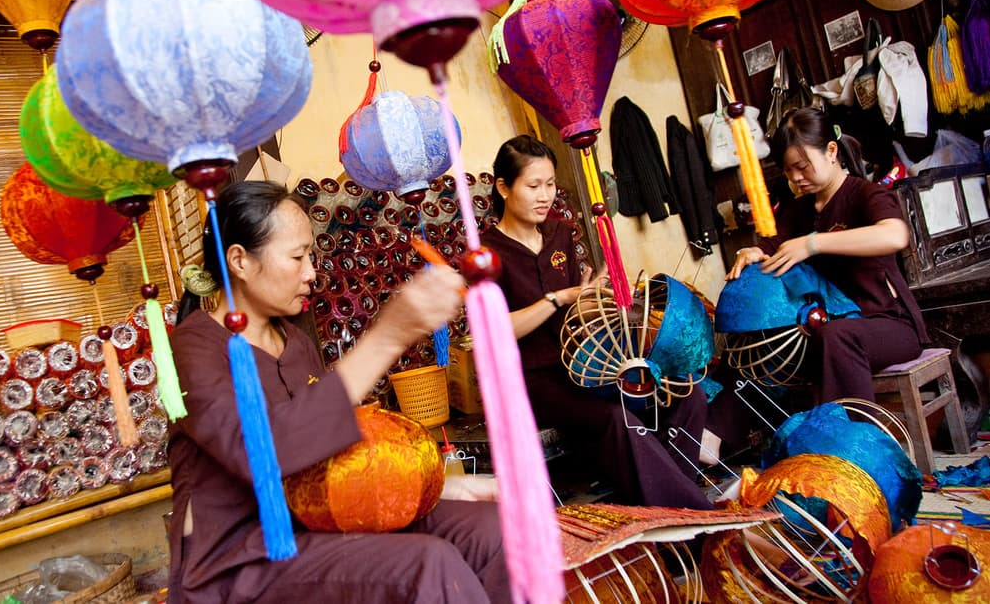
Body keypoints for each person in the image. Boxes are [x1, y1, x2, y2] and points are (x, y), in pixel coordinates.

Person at [167, 181, 510, 603]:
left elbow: (333, 464)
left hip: (322, 522)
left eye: (310, 255)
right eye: (297, 257)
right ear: (239, 260)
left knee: (491, 531)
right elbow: (258, 451)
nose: (311, 272)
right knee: (427, 563)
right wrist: (386, 338)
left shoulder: (295, 342)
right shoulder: (194, 346)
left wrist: (435, 486)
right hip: (239, 557)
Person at [479, 134, 712, 510]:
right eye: (533, 185)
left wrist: (595, 300)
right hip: (535, 381)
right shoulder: (487, 254)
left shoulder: (558, 235)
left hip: (589, 365)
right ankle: (692, 515)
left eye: (551, 184)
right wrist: (558, 298)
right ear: (504, 188)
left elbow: (579, 310)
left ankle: (676, 506)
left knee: (686, 395)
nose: (545, 195)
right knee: (618, 418)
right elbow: (493, 332)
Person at [726, 107, 928, 403]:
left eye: (803, 166)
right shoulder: (798, 211)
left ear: (831, 151)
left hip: (888, 324)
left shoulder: (865, 194)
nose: (796, 177)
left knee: (835, 336)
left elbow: (894, 235)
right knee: (756, 341)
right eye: (788, 170)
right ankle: (709, 440)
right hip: (827, 327)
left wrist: (813, 244)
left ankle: (849, 442)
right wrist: (751, 252)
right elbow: (772, 248)